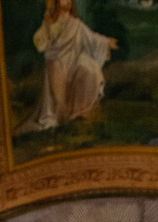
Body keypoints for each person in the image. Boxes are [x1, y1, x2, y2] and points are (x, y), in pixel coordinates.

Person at [20, 0, 117, 132]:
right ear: (56, 3)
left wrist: (106, 42)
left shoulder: (76, 24)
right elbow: (40, 44)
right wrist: (47, 25)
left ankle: (77, 113)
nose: (67, 1)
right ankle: (57, 118)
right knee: (58, 96)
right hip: (56, 62)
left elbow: (92, 38)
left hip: (73, 61)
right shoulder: (50, 21)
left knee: (90, 72)